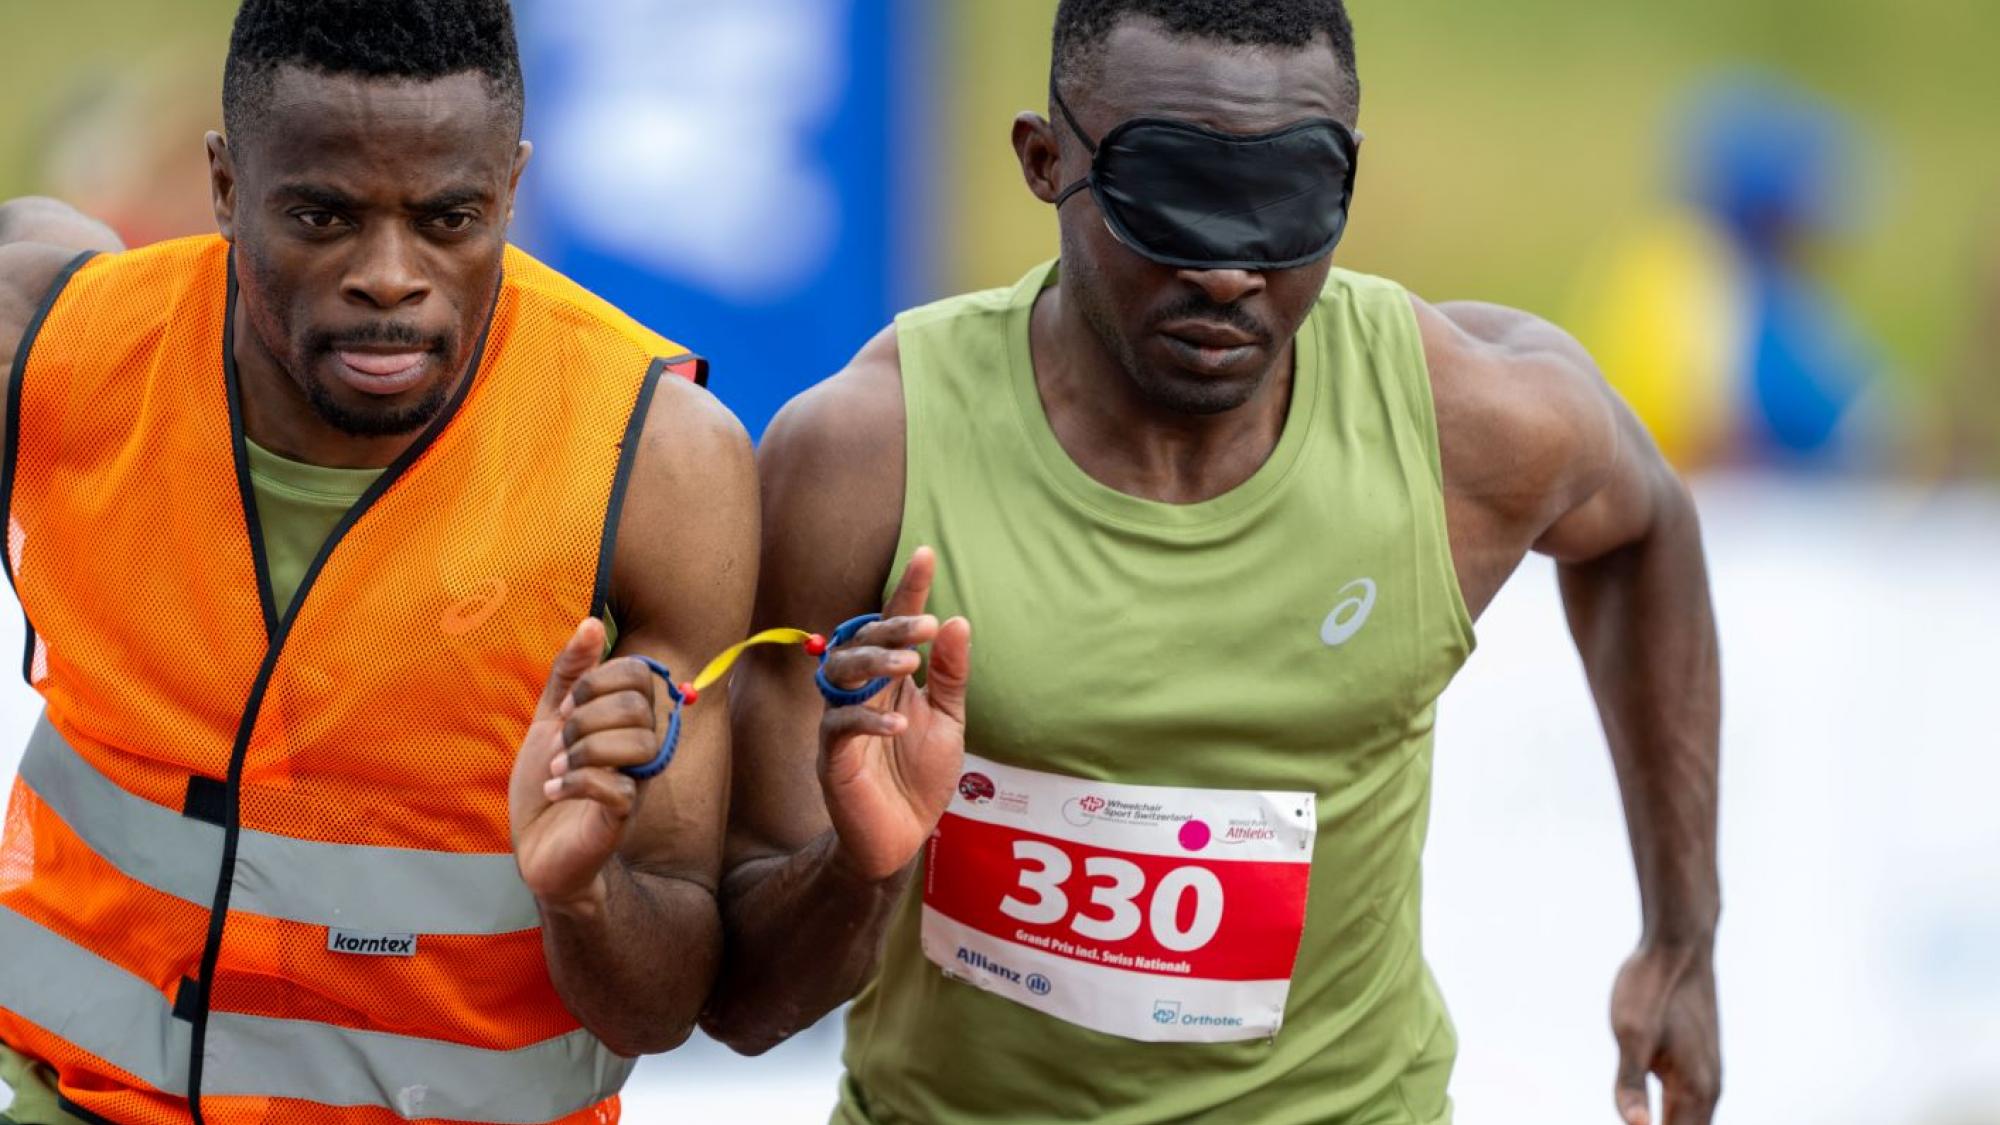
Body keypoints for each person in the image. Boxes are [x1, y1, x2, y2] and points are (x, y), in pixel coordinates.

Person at [704, 2, 1723, 1124]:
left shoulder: (1458, 424)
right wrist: (857, 872)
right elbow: (744, 1005)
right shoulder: (864, 458)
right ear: (1045, 161)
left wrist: (1681, 934)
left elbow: (1645, 528)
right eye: (1174, 194)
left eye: (1284, 201)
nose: (1230, 271)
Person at [0, 1, 761, 1121]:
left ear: (511, 189)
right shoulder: (50, 352)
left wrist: (583, 893)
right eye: (323, 216)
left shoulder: (657, 467)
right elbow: (34, 230)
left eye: (449, 219)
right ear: (225, 185)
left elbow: (666, 1005)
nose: (390, 276)